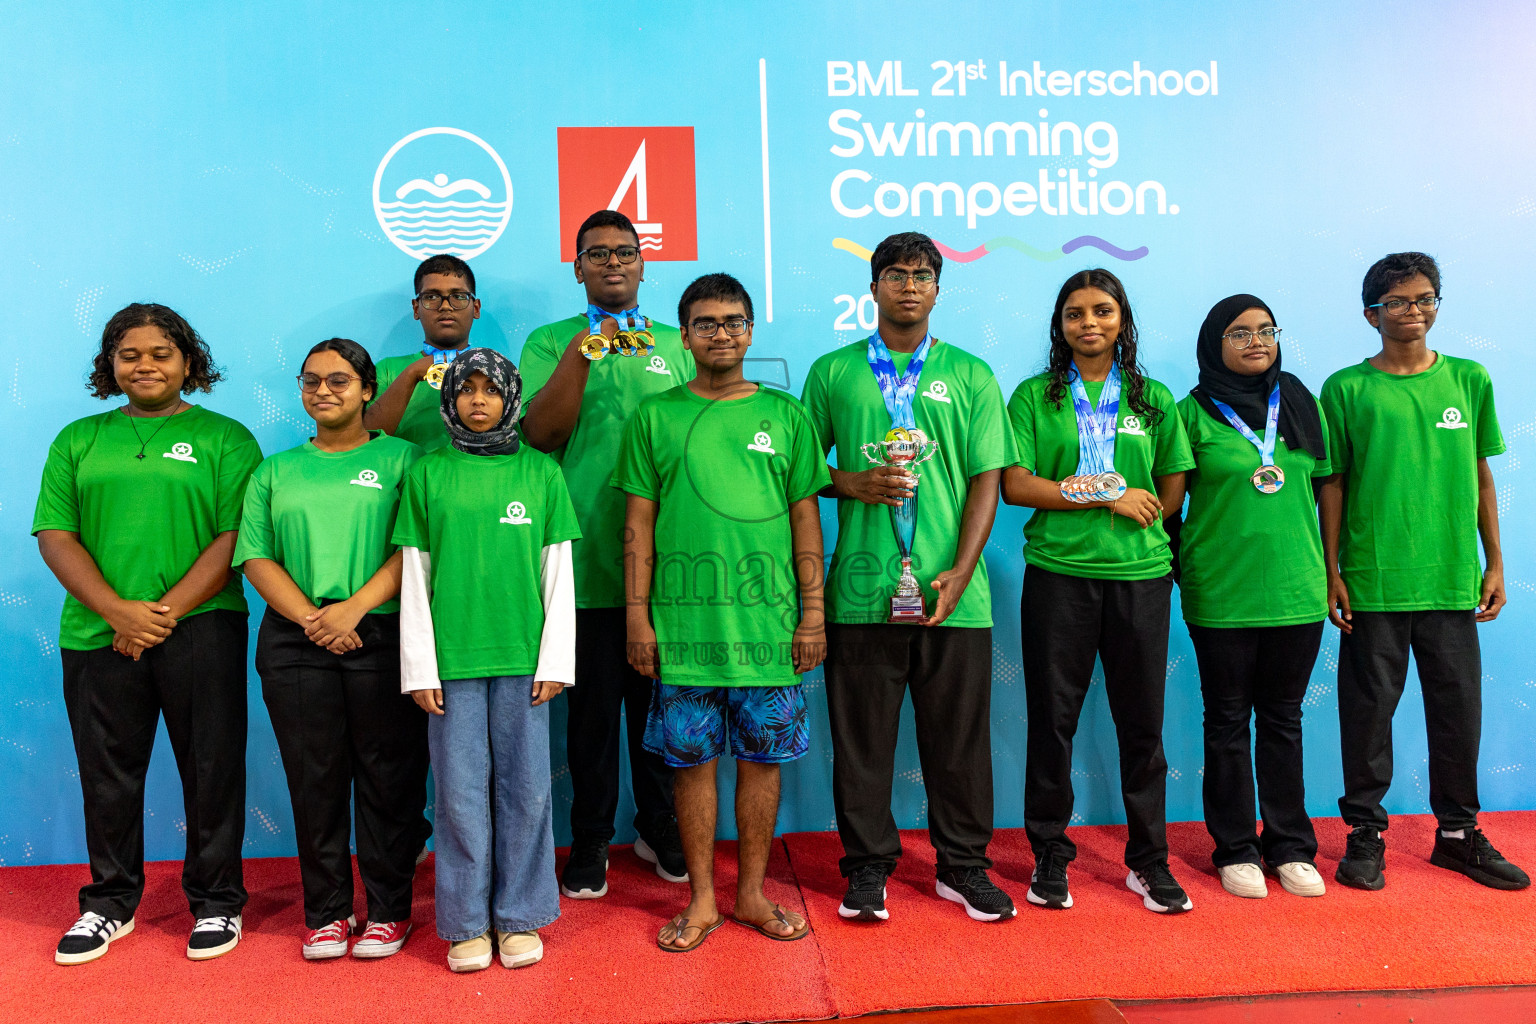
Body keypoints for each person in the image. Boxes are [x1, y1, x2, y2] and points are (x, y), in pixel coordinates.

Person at [34, 303, 261, 963]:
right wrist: (118, 612)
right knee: (108, 776)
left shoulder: (227, 438)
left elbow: (234, 537)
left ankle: (218, 902)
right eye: (130, 354)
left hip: (202, 628)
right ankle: (109, 903)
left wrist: (157, 615)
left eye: (161, 353)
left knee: (212, 769)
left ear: (188, 361)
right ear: (109, 365)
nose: (146, 365)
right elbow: (56, 533)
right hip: (98, 634)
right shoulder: (78, 439)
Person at [802, 231, 1017, 924]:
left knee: (959, 745)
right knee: (862, 747)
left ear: (937, 288)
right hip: (863, 591)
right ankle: (866, 870)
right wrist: (850, 481)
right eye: (894, 274)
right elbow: (800, 471)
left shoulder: (973, 374)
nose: (909, 285)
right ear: (873, 288)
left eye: (922, 275)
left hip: (956, 595)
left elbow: (988, 479)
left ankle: (963, 867)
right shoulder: (834, 371)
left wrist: (962, 565)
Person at [614, 273, 828, 952]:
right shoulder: (655, 416)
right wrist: (637, 618)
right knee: (692, 766)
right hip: (683, 633)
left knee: (763, 765)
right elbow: (637, 526)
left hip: (769, 631)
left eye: (734, 321)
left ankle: (753, 894)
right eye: (706, 322)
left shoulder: (787, 415)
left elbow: (805, 520)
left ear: (751, 330)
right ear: (684, 335)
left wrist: (813, 614)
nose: (722, 333)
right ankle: (702, 899)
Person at [1321, 252, 1527, 892]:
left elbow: (1480, 475)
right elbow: (1332, 484)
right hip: (1374, 580)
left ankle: (1459, 837)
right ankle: (1364, 834)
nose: (1415, 311)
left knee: (1457, 710)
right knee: (1367, 713)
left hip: (1449, 578)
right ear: (1370, 314)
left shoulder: (1469, 379)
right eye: (1400, 302)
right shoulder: (1346, 388)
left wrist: (1494, 561)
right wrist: (1331, 569)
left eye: (1426, 299)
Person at [1000, 269, 1195, 914]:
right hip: (1059, 575)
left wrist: (1133, 514)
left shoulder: (1153, 397)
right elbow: (1016, 485)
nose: (1089, 323)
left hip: (1140, 581)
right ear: (1060, 325)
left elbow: (1170, 493)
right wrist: (1104, 492)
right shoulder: (1034, 396)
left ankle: (1149, 861)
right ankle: (1050, 855)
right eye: (1076, 313)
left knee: (1143, 726)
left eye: (1102, 312)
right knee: (1052, 722)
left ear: (1122, 320)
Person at [234, 338, 429, 958]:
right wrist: (315, 618)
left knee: (387, 780)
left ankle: (389, 911)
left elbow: (414, 548)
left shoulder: (405, 459)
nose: (324, 391)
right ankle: (327, 911)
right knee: (314, 781)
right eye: (312, 380)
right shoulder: (274, 470)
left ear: (368, 390)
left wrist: (353, 608)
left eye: (340, 380)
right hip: (295, 640)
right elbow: (254, 556)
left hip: (381, 632)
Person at [521, 210, 692, 897]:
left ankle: (660, 826)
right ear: (578, 268)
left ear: (644, 264)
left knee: (660, 710)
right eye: (598, 254)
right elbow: (538, 432)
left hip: (670, 567)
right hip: (583, 557)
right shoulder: (548, 342)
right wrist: (584, 352)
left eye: (625, 252)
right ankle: (590, 838)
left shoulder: (679, 343)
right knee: (589, 722)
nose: (613, 263)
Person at [394, 348, 580, 972]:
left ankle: (521, 916)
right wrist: (419, 667)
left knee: (527, 793)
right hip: (450, 665)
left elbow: (559, 575)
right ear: (449, 400)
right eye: (466, 389)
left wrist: (556, 661)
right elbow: (414, 575)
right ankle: (467, 923)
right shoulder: (426, 473)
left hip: (525, 661)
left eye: (490, 390)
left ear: (510, 398)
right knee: (458, 795)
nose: (478, 400)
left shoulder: (540, 473)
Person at [1172, 295, 1331, 900]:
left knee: (1284, 720)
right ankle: (1235, 847)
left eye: (1266, 330)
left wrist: (1329, 569)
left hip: (1296, 590)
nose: (1256, 341)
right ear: (1215, 341)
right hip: (1221, 593)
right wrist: (1184, 565)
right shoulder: (1190, 413)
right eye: (1240, 333)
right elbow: (1168, 507)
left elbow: (1325, 490)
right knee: (1228, 721)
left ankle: (1290, 846)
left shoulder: (1296, 401)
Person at [366, 254, 487, 451]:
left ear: (475, 308)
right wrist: (411, 374)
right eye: (431, 297)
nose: (446, 306)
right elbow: (365, 441)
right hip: (404, 480)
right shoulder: (388, 370)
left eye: (458, 296)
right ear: (416, 308)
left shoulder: (493, 371)